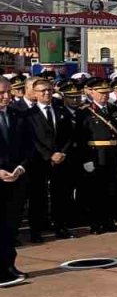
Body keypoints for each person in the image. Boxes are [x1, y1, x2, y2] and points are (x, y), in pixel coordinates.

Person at [25, 77, 76, 242]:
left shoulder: (61, 110)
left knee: (60, 196)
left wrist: (62, 153)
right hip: (39, 161)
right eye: (42, 91)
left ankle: (61, 227)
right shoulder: (29, 114)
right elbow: (32, 139)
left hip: (60, 160)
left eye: (49, 90)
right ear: (35, 94)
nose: (47, 93)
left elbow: (68, 135)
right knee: (38, 197)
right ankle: (37, 231)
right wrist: (49, 155)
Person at [75, 78, 117, 235]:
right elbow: (81, 137)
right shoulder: (85, 111)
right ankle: (96, 223)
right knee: (96, 190)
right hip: (96, 154)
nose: (104, 96)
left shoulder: (114, 109)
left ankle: (109, 221)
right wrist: (86, 159)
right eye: (101, 93)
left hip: (113, 153)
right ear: (92, 92)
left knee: (112, 189)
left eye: (107, 93)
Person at [0, 78, 31, 286]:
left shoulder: (17, 115)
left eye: (8, 92)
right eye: (2, 92)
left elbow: (29, 145)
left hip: (16, 178)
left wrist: (21, 167)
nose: (6, 96)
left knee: (11, 225)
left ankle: (8, 265)